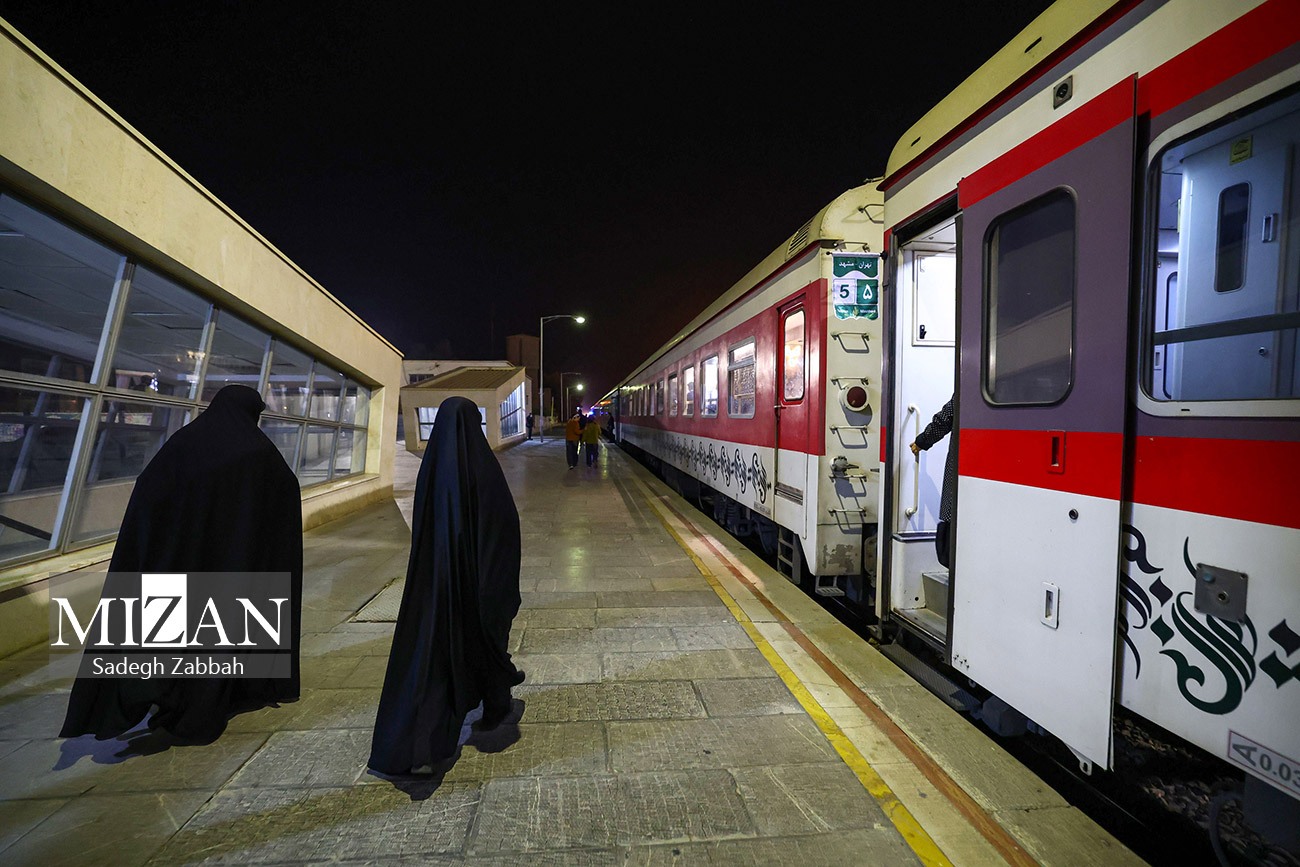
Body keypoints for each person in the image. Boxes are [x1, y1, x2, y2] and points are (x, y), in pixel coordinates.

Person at [60, 384, 303, 743]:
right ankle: (204, 704)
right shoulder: (258, 451)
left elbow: (149, 492)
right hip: (232, 566)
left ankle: (155, 692)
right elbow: (284, 497)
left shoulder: (184, 441)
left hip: (178, 558)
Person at [369, 396, 525, 776]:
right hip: (483, 583)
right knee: (487, 643)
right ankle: (496, 706)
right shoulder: (485, 470)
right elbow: (504, 530)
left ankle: (429, 739)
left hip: (439, 584)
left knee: (439, 652)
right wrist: (497, 588)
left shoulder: (432, 471)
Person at [910, 395, 955, 569]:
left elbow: (947, 416)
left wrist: (922, 441)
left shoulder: (966, 387)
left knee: (953, 516)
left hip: (964, 469)